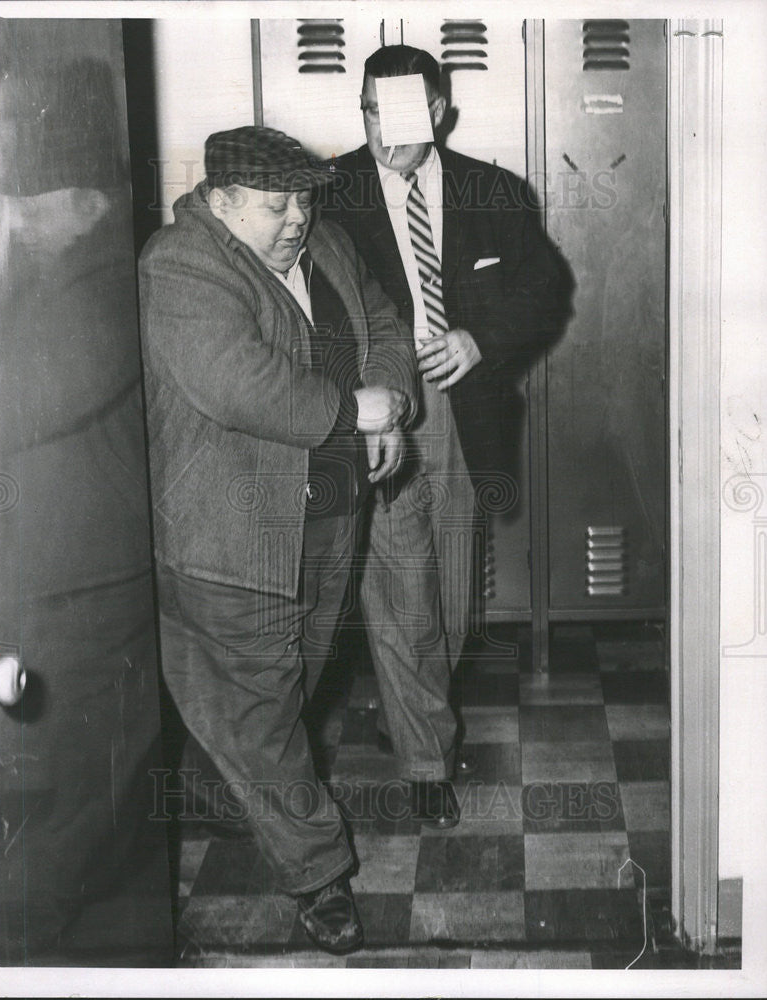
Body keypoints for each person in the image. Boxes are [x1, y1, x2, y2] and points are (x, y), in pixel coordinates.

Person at [138, 125, 417, 954]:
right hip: (233, 539)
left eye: (304, 198)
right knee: (262, 713)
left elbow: (387, 326)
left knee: (282, 692)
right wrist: (351, 410)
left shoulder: (325, 242)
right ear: (220, 202)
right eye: (273, 205)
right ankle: (322, 879)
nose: (296, 218)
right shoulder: (182, 265)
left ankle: (237, 796)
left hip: (330, 517)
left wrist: (393, 402)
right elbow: (240, 383)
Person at [322, 45, 565, 828]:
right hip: (376, 406)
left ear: (437, 112)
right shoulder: (329, 195)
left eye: (398, 111)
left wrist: (478, 339)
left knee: (453, 598)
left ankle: (413, 706)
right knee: (401, 592)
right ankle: (425, 758)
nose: (382, 129)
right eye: (368, 110)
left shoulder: (492, 191)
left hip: (465, 406)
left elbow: (544, 288)